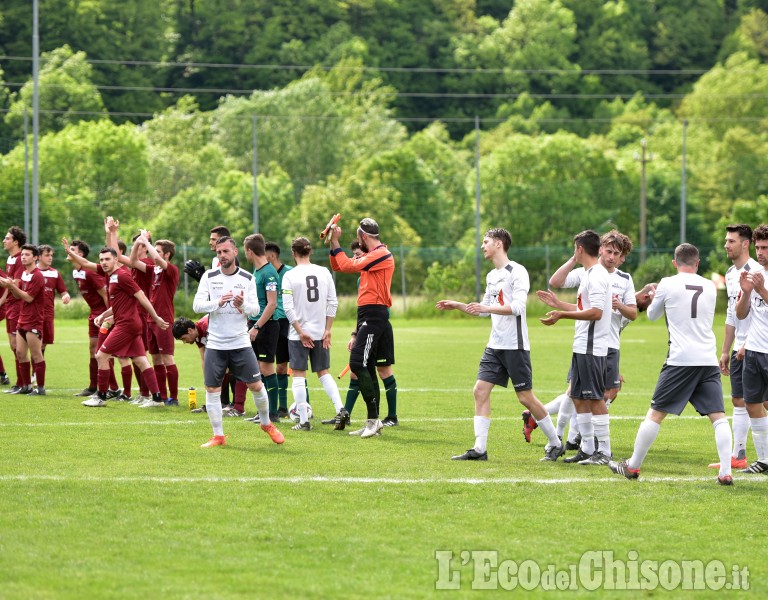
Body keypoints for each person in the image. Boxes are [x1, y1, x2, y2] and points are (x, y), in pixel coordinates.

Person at [610, 243, 734, 485]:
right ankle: (726, 471)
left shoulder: (667, 282)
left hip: (680, 360)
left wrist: (657, 298)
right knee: (718, 416)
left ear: (674, 263)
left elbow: (652, 315)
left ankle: (632, 466)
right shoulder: (710, 285)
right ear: (697, 263)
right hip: (707, 359)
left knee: (655, 414)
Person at [437, 228, 564, 461]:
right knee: (480, 391)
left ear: (498, 244)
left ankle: (555, 443)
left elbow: (518, 308)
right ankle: (479, 449)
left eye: (485, 242)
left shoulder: (517, 271)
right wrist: (459, 305)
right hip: (495, 345)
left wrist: (485, 307)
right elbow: (483, 310)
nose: (482, 246)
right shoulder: (491, 276)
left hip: (515, 346)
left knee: (525, 397)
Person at [534, 231, 636, 460]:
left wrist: (561, 313)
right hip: (582, 345)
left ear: (579, 249)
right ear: (598, 249)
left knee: (596, 398)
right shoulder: (589, 273)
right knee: (579, 396)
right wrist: (560, 306)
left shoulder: (598, 276)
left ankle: (604, 452)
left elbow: (597, 313)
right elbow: (582, 304)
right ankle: (587, 448)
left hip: (593, 347)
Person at [192, 236, 284, 447]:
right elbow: (197, 306)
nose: (222, 255)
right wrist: (217, 302)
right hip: (215, 344)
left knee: (257, 385)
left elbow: (256, 310)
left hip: (240, 343)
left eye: (225, 251)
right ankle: (218, 436)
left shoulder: (247, 278)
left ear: (235, 252)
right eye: (218, 252)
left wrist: (242, 305)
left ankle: (266, 423)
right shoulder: (209, 276)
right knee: (212, 389)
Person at [329, 217, 395, 438]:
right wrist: (332, 243)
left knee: (357, 362)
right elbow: (338, 265)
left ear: (363, 237)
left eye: (359, 239)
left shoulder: (381, 254)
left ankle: (374, 420)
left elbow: (347, 264)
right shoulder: (370, 255)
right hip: (366, 314)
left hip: (375, 314)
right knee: (366, 364)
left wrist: (337, 242)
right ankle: (373, 421)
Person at [710, 224, 760, 471]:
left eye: (731, 241)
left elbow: (763, 314)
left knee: (757, 402)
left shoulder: (759, 272)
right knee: (739, 400)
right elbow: (732, 316)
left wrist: (748, 342)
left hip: (758, 347)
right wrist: (725, 350)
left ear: (745, 244)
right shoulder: (730, 273)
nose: (726, 245)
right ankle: (738, 455)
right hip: (740, 347)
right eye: (726, 240)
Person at [280, 236, 343, 430]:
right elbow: (333, 302)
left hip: (299, 335)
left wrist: (300, 332)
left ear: (293, 253)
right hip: (319, 333)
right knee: (324, 373)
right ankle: (341, 409)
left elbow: (288, 309)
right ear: (310, 251)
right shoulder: (324, 272)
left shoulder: (290, 275)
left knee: (298, 375)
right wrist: (328, 330)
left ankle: (304, 421)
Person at [63, 238, 119, 399]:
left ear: (80, 254)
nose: (68, 252)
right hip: (93, 314)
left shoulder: (89, 272)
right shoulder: (76, 271)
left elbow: (105, 294)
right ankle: (93, 386)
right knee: (93, 350)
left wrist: (110, 316)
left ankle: (111, 388)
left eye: (72, 250)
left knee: (103, 351)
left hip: (103, 314)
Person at [734, 224, 768, 474]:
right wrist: (746, 293)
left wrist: (761, 290)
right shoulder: (753, 274)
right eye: (758, 247)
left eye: (765, 247)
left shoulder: (761, 281)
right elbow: (741, 314)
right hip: (754, 351)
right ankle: (764, 460)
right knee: (752, 404)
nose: (760, 252)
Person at [131, 232, 180, 406]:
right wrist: (138, 242)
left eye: (159, 251)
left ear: (167, 255)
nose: (155, 254)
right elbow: (133, 262)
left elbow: (158, 260)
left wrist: (146, 241)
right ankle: (162, 396)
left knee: (167, 358)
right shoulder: (154, 270)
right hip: (152, 319)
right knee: (156, 359)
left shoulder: (171, 270)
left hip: (164, 319)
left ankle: (174, 398)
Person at [238, 233, 280, 421]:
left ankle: (272, 413)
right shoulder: (257, 271)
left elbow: (272, 304)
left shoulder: (269, 273)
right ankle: (262, 412)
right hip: (255, 324)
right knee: (257, 369)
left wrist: (256, 326)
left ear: (249, 251)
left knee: (266, 369)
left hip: (267, 326)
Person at [0, 244, 46, 394]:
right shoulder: (25, 273)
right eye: (23, 254)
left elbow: (28, 298)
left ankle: (40, 388)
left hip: (33, 319)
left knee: (36, 354)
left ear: (35, 257)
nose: (23, 257)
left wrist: (11, 286)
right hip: (23, 318)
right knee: (20, 353)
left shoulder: (38, 275)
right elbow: (16, 295)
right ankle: (26, 386)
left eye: (27, 255)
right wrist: (10, 286)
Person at [266, 241, 295, 418]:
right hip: (271, 322)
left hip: (288, 322)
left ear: (272, 256)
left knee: (294, 366)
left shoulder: (290, 273)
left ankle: (298, 406)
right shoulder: (262, 273)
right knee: (273, 367)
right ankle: (277, 407)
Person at [3, 226, 26, 393]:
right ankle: (20, 382)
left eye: (7, 238)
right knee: (13, 346)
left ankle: (23, 383)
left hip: (18, 305)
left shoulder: (19, 259)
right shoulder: (10, 259)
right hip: (10, 305)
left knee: (18, 346)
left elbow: (15, 284)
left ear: (16, 242)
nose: (4, 241)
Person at [37, 244, 71, 355]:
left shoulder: (55, 273)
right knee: (34, 344)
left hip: (48, 314)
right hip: (33, 314)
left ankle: (37, 370)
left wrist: (66, 296)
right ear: (38, 257)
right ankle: (35, 371)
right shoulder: (31, 272)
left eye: (51, 255)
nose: (50, 257)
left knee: (43, 344)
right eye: (47, 255)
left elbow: (63, 291)